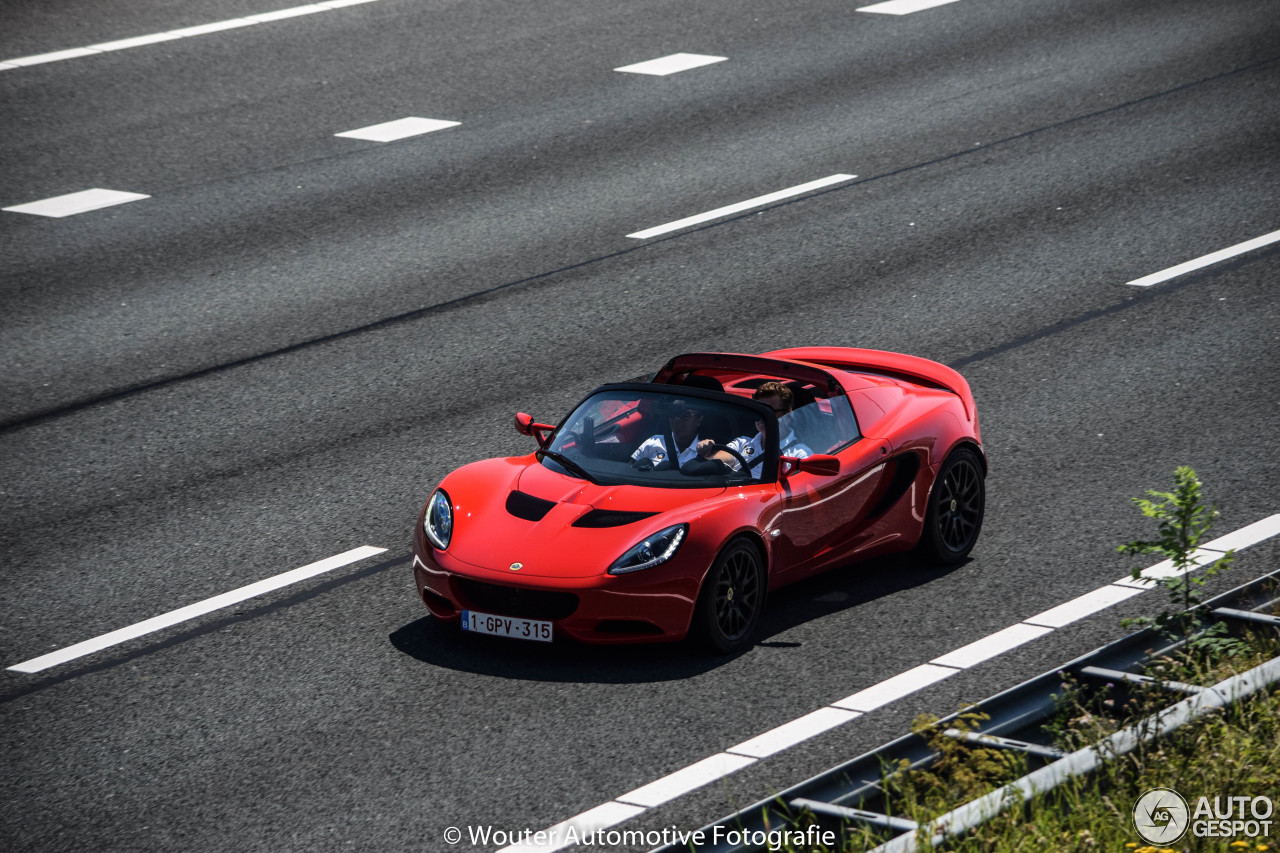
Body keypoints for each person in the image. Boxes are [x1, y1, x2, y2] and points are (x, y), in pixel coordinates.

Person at [697, 381, 811, 477]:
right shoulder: (742, 443)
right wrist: (707, 451)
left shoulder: (800, 455)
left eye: (769, 412)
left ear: (788, 415)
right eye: (759, 411)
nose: (762, 416)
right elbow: (722, 458)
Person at [631, 399, 706, 470]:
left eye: (685, 415)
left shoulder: (707, 451)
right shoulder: (653, 442)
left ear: (698, 420)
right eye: (673, 414)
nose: (676, 419)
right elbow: (629, 470)